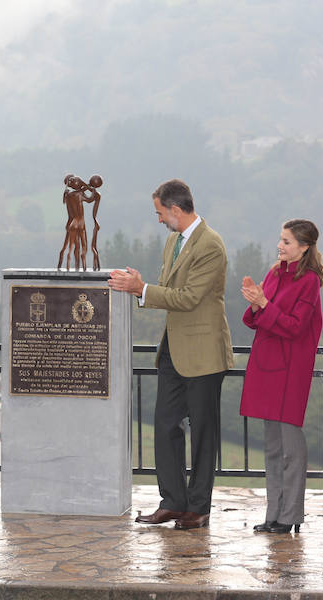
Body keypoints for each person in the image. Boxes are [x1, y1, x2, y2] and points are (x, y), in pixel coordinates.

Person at [109, 179, 233, 530]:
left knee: (203, 432)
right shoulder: (173, 241)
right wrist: (141, 286)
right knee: (165, 425)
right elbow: (168, 290)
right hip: (173, 351)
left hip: (204, 354)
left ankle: (198, 507)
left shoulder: (211, 245)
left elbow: (189, 298)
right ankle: (173, 502)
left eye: (160, 213)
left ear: (175, 210)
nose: (159, 219)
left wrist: (143, 289)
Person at [240, 219, 323, 534]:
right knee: (273, 447)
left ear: (304, 247)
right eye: (280, 240)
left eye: (286, 241)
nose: (280, 246)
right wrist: (255, 300)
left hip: (291, 370)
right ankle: (273, 514)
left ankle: (290, 516)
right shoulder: (275, 272)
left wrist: (263, 305)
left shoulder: (310, 281)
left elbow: (295, 327)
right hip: (265, 365)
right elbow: (252, 320)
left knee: (291, 445)